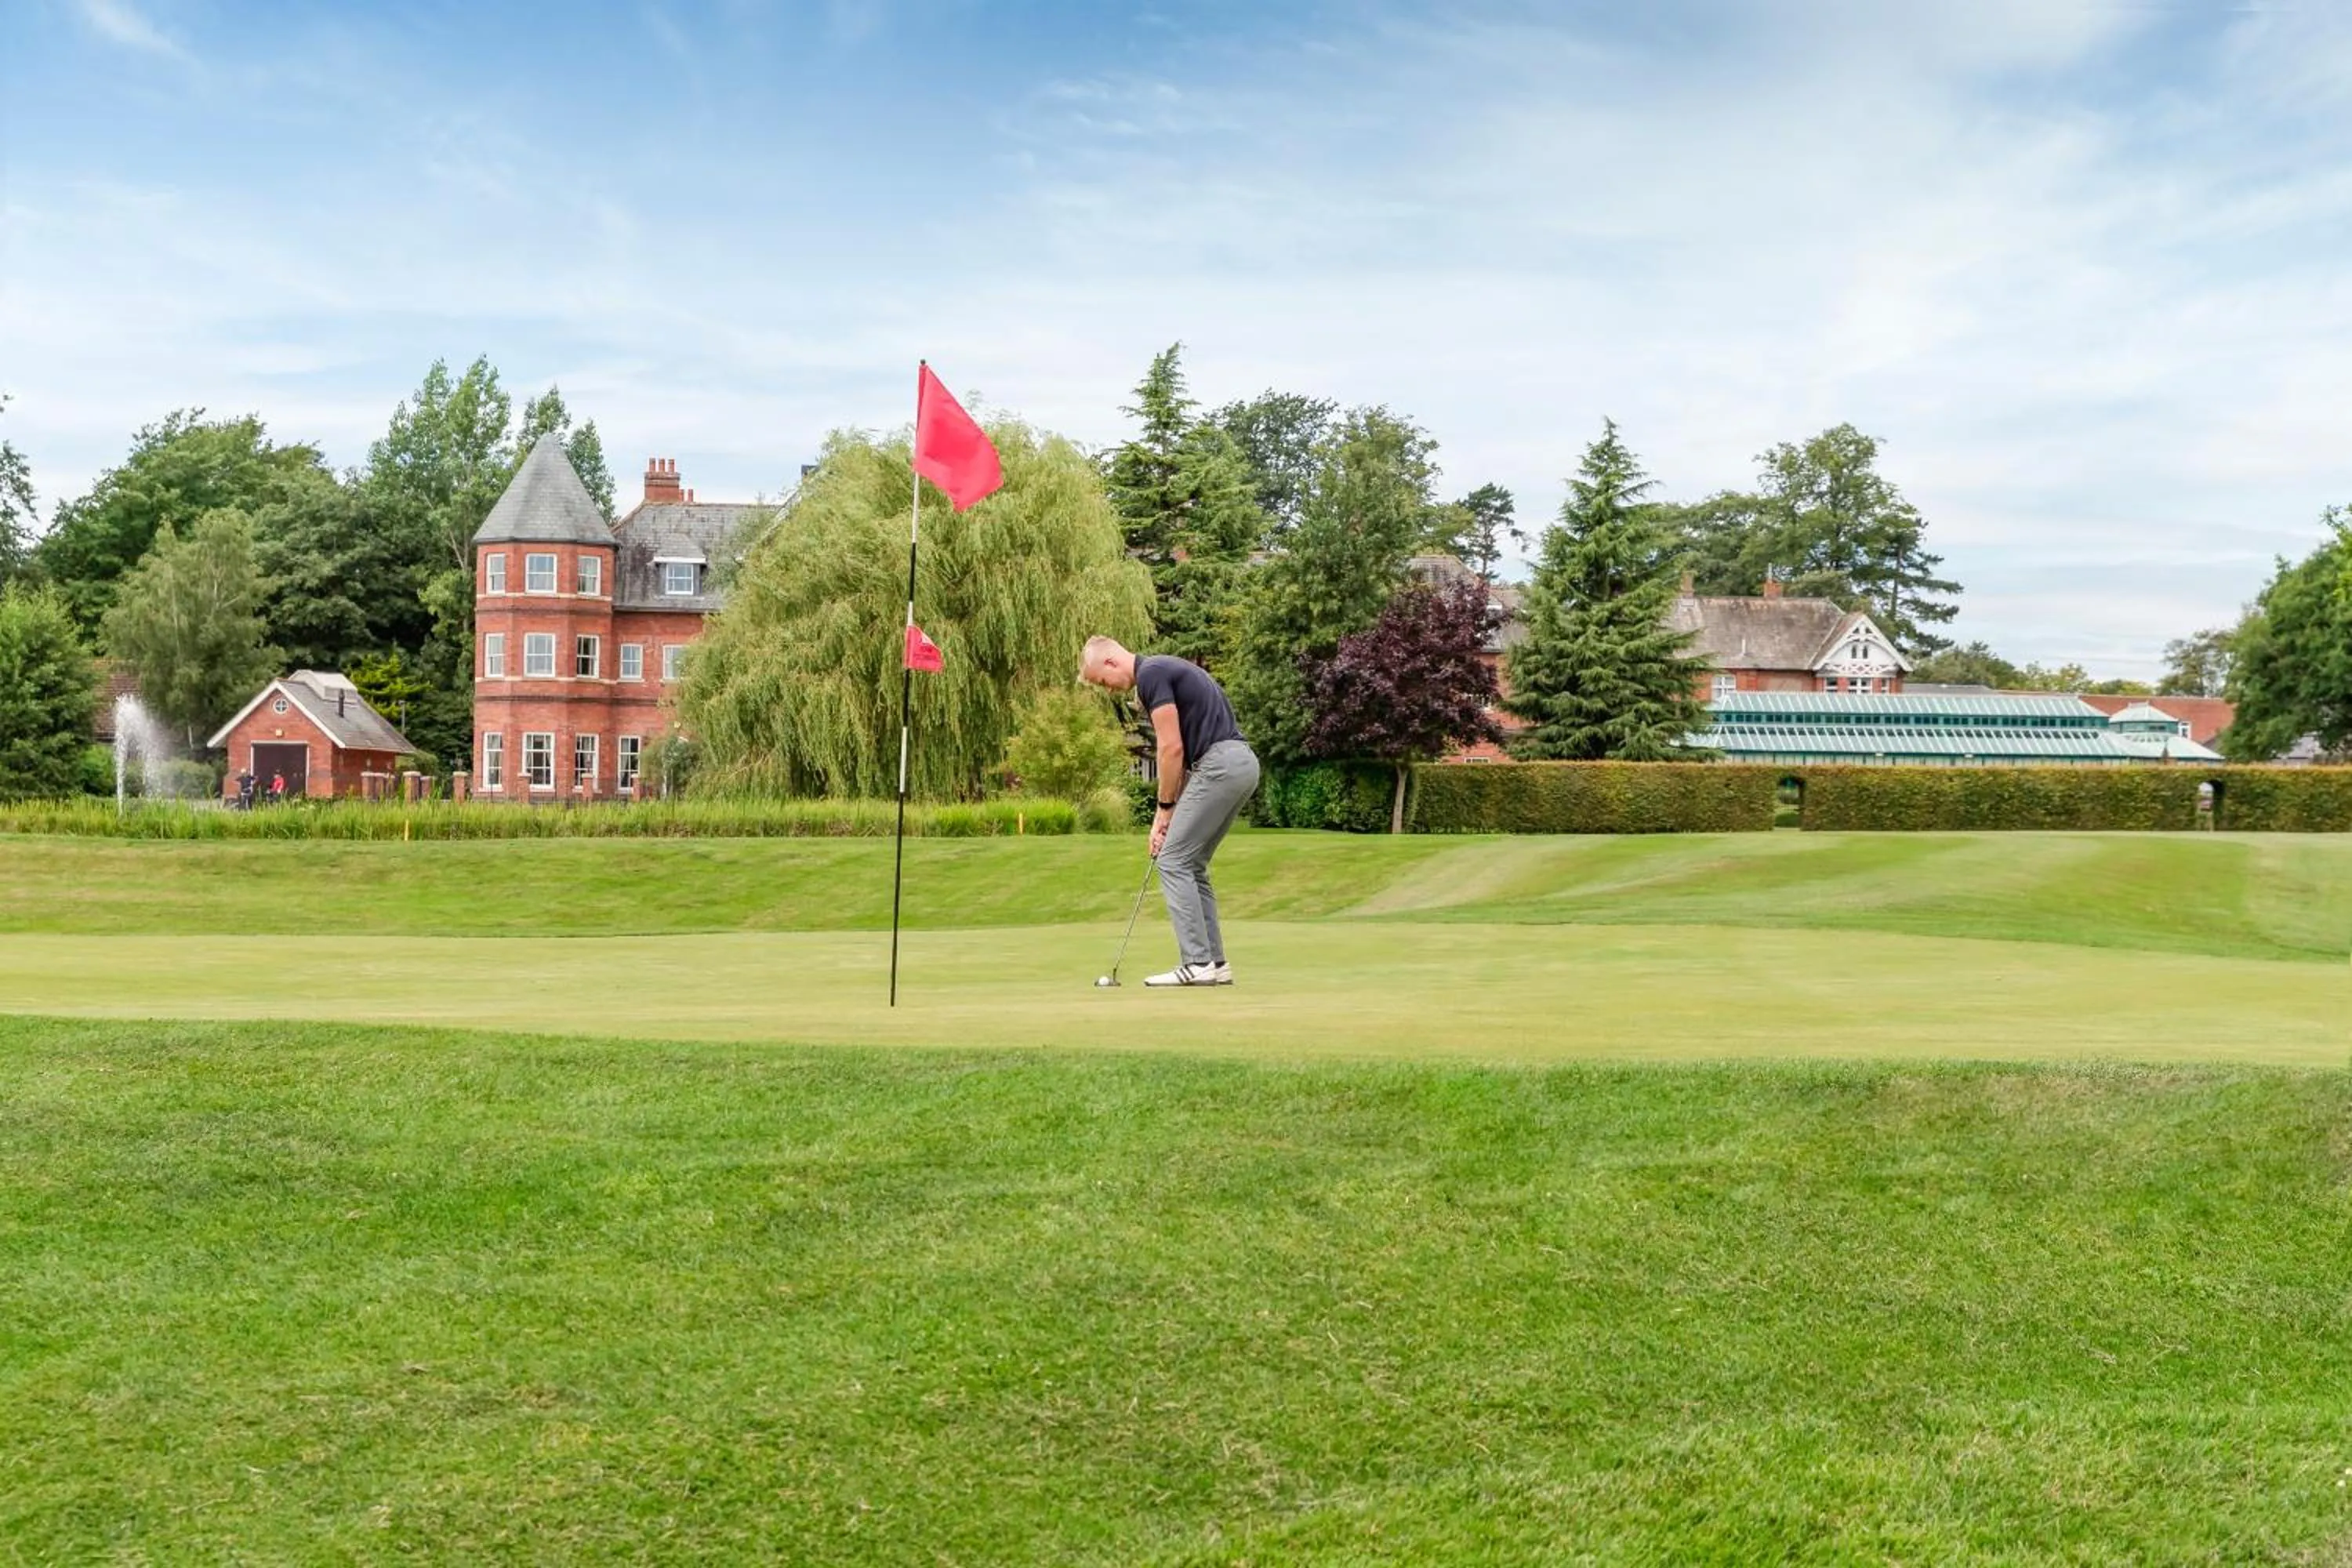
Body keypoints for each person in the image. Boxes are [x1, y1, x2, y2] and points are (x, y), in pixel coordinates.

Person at [1079, 636, 1261, 987]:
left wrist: (1163, 810)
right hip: (1240, 764)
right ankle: (1215, 963)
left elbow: (1171, 748)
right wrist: (1165, 817)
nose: (1109, 690)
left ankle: (1196, 962)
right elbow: (1183, 758)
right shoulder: (1165, 668)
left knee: (1173, 861)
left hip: (1220, 765)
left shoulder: (1151, 675)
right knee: (1191, 863)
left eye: (1103, 681)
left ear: (1112, 663)